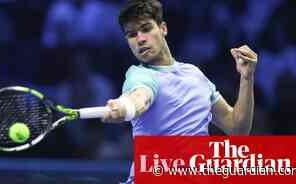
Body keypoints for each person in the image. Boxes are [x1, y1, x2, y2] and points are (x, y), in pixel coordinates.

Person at [102, 0, 258, 183]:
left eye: (146, 29)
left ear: (163, 29)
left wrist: (247, 78)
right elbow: (139, 98)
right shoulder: (139, 75)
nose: (140, 39)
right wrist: (125, 107)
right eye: (131, 34)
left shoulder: (194, 74)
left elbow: (237, 129)